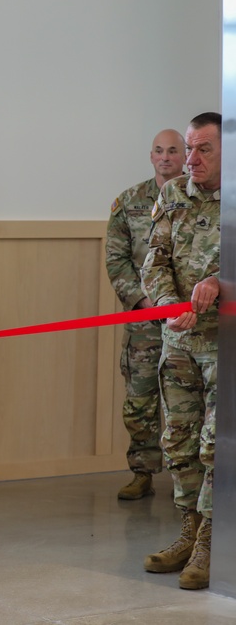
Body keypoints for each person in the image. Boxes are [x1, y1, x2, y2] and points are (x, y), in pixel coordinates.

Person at [141, 111, 221, 591]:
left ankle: (211, 540)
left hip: (223, 345)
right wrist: (170, 307)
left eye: (203, 149)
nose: (190, 159)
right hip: (178, 341)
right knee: (179, 440)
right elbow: (155, 261)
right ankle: (188, 534)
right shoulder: (172, 194)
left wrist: (219, 283)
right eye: (188, 148)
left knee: (215, 444)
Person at [105, 129, 184, 500]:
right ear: (151, 156)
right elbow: (116, 259)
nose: (165, 157)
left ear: (185, 156)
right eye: (159, 151)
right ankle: (142, 472)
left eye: (173, 150)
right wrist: (141, 301)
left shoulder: (201, 199)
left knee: (190, 402)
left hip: (188, 320)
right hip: (145, 321)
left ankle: (190, 480)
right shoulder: (130, 201)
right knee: (140, 401)